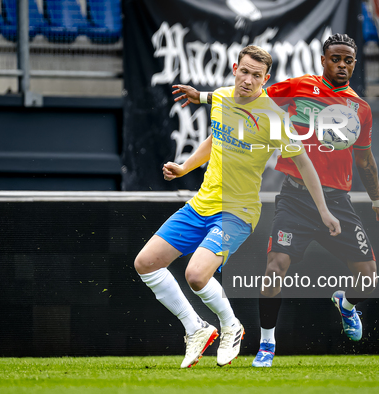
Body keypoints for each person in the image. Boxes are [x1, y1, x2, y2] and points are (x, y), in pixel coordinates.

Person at [172, 33, 379, 367]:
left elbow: (365, 161)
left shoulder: (360, 110)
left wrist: (377, 200)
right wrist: (204, 97)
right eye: (336, 58)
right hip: (295, 197)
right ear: (323, 60)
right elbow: (245, 95)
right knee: (274, 270)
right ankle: (266, 344)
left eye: (349, 60)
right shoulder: (298, 87)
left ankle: (346, 306)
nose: (342, 65)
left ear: (355, 64)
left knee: (369, 276)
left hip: (337, 200)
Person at [135, 45, 341, 369]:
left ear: (265, 79)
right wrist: (185, 167)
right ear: (234, 68)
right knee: (145, 263)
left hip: (238, 212)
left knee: (196, 275)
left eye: (256, 75)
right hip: (201, 205)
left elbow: (305, 164)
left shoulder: (272, 117)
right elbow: (214, 138)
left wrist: (325, 211)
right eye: (244, 71)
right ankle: (196, 328)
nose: (248, 80)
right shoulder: (221, 98)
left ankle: (231, 325)